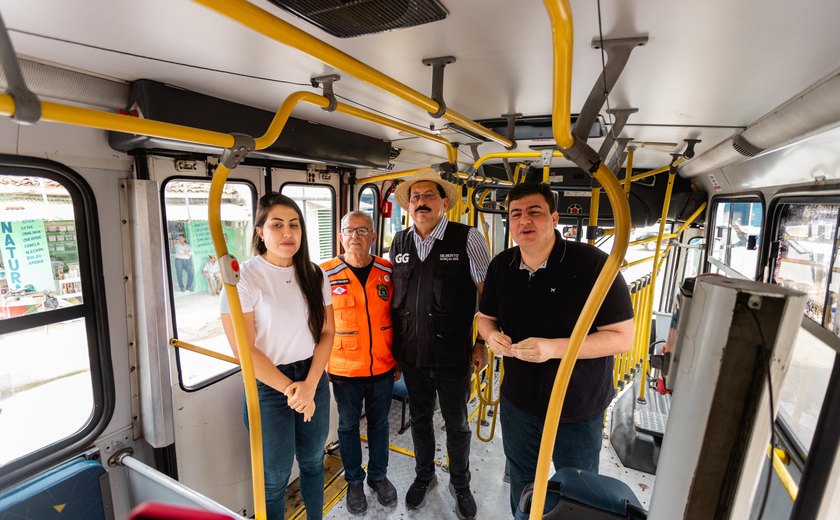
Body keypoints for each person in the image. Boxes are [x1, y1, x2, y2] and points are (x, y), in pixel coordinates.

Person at [475, 182, 635, 515]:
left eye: (534, 212)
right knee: (522, 479)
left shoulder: (594, 265)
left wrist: (554, 348)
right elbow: (484, 318)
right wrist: (491, 338)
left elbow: (622, 337)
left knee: (576, 487)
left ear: (554, 218)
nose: (524, 221)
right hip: (519, 402)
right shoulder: (501, 266)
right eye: (515, 214)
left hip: (577, 406)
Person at [220, 193, 334, 520]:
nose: (288, 233)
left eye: (294, 225)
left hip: (312, 377)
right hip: (268, 385)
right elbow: (245, 349)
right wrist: (292, 390)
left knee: (313, 462)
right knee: (274, 479)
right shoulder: (243, 278)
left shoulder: (313, 274)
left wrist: (310, 386)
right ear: (260, 232)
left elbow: (327, 332)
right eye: (277, 225)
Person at [389, 169, 491, 520]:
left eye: (429, 196)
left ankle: (460, 484)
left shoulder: (468, 238)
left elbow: (487, 296)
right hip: (413, 356)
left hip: (453, 356)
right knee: (420, 421)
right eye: (415, 197)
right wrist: (395, 353)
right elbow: (395, 303)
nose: (421, 202)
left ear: (444, 203)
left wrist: (482, 343)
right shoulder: (399, 242)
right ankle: (424, 475)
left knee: (458, 423)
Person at [321, 210, 399, 514]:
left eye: (363, 230)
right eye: (349, 230)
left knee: (379, 425)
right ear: (340, 236)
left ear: (374, 237)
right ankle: (354, 480)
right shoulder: (323, 273)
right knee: (348, 426)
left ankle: (378, 476)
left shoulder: (387, 270)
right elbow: (316, 324)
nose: (355, 236)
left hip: (383, 365)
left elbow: (398, 315)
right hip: (343, 369)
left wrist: (400, 359)